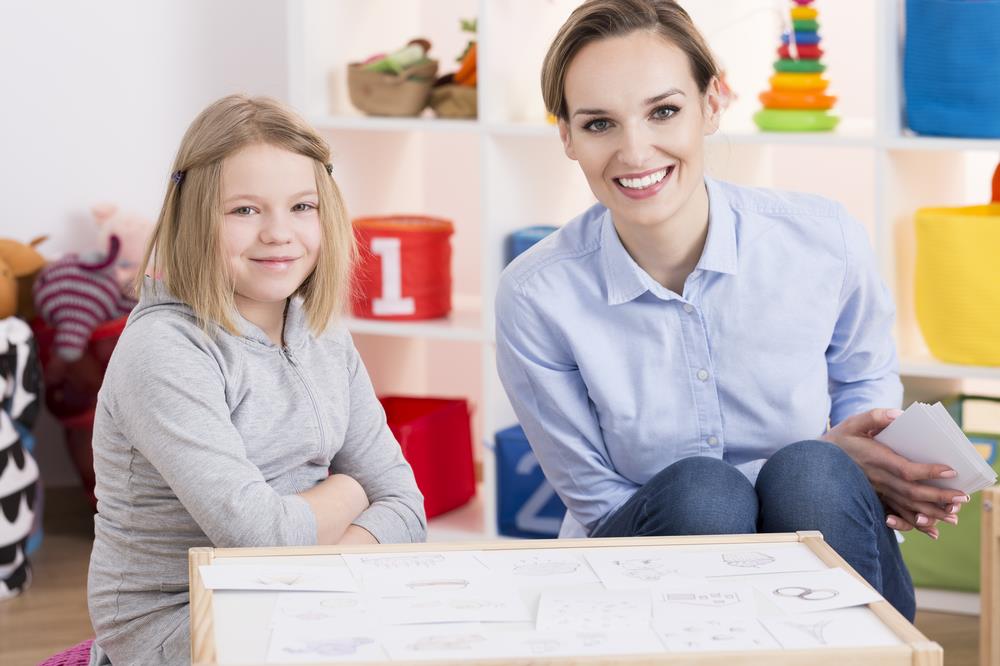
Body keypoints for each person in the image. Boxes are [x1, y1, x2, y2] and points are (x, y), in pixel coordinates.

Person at [495, 0, 968, 621]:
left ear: (713, 103)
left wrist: (875, 467)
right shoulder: (536, 296)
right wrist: (779, 471)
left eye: (664, 111)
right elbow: (597, 501)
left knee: (813, 473)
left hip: (827, 539)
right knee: (705, 492)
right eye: (599, 124)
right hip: (643, 577)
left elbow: (864, 406)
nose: (635, 152)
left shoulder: (824, 241)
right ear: (567, 137)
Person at [87, 95, 426, 664]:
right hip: (179, 618)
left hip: (304, 591)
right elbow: (260, 539)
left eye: (301, 206)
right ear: (196, 216)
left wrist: (313, 566)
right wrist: (350, 489)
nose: (278, 233)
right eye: (244, 211)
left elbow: (407, 508)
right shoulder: (165, 350)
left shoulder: (323, 333)